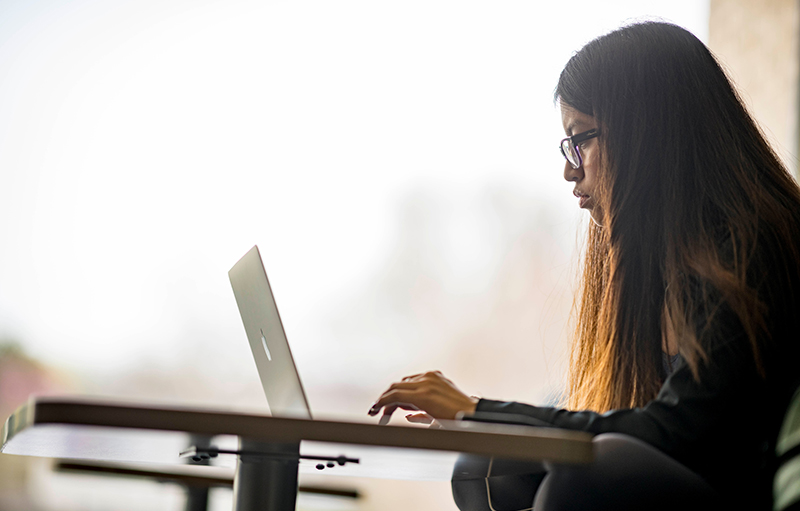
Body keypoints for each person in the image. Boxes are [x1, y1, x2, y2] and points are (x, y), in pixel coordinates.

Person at [367, 21, 800, 510]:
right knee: (487, 466)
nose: (570, 170)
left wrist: (478, 410)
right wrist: (485, 422)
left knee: (589, 477)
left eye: (581, 140)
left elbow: (678, 433)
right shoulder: (667, 266)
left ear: (647, 134)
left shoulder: (748, 248)